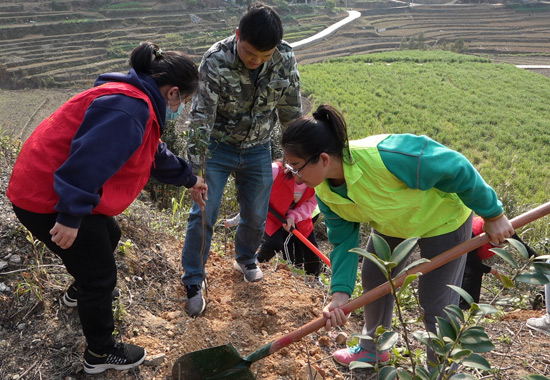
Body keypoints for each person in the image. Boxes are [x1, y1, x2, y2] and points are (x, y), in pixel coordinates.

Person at [6, 41, 207, 375]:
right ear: (172, 93)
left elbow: (154, 153)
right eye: (184, 101)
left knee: (108, 235)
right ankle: (100, 353)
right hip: (46, 199)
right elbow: (87, 162)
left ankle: (79, 292)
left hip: (43, 187)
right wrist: (70, 216)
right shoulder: (128, 110)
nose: (181, 108)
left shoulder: (133, 99)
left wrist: (189, 179)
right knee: (100, 277)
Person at [281, 104, 514, 369]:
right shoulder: (325, 190)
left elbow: (456, 166)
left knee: (436, 299)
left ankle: (441, 370)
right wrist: (339, 295)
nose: (294, 177)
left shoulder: (387, 157)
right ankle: (373, 350)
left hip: (442, 219)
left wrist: (493, 214)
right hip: (394, 222)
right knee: (374, 276)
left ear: (323, 159)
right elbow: (343, 242)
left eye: (297, 167)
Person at [181, 2, 302, 317]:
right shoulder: (216, 61)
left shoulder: (285, 58)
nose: (256, 61)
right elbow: (199, 120)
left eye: (265, 56)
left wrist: (297, 158)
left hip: (258, 146)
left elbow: (290, 112)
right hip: (218, 148)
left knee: (256, 213)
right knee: (205, 211)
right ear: (237, 36)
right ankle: (194, 279)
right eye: (250, 53)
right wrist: (195, 172)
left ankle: (246, 258)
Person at [225, 160, 321, 276]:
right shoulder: (275, 170)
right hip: (272, 213)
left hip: (300, 216)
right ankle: (254, 263)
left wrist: (293, 216)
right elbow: (254, 195)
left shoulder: (319, 180)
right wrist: (238, 218)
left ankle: (313, 277)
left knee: (310, 249)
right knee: (275, 243)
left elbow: (311, 203)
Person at [459, 216, 537, 309]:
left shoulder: (505, 230)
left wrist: (543, 263)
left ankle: (473, 306)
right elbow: (471, 262)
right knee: (469, 273)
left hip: (476, 254)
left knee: (477, 273)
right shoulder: (474, 234)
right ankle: (463, 306)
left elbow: (524, 248)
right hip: (461, 246)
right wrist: (494, 271)